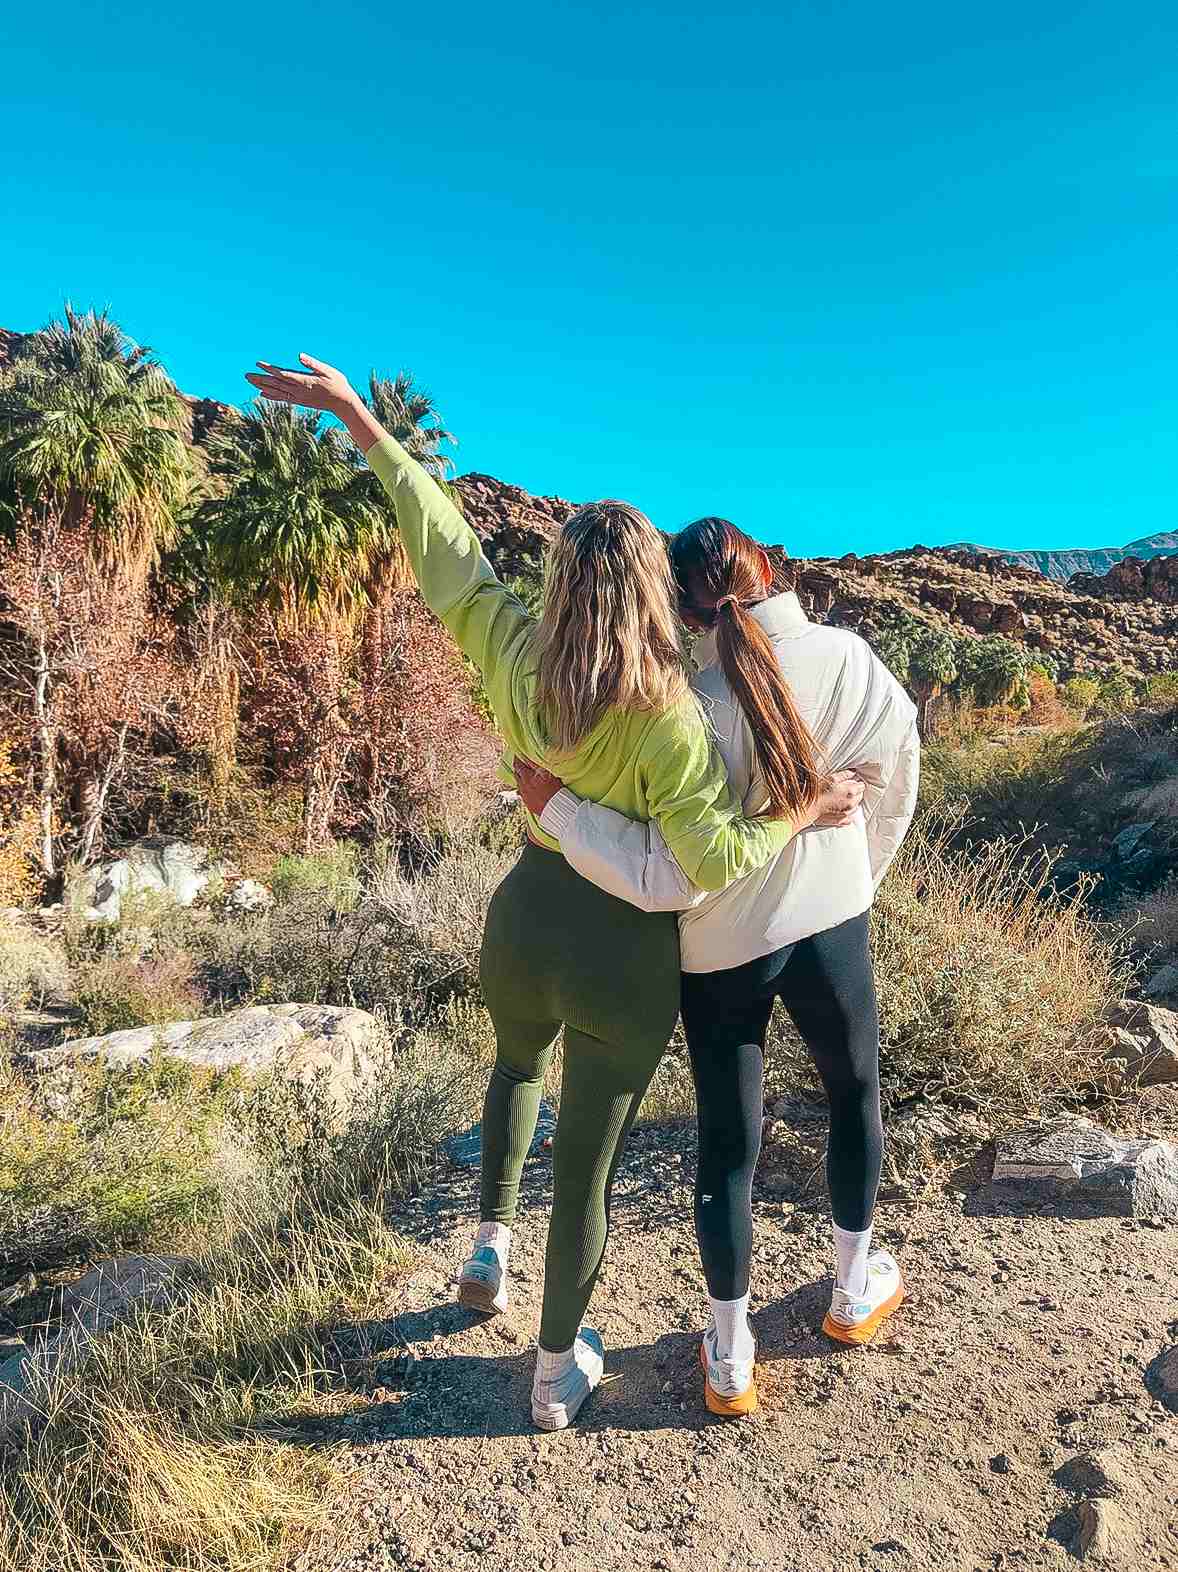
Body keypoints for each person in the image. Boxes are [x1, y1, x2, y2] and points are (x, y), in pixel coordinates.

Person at [244, 357, 864, 1430]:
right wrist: (798, 813)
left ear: (559, 581)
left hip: (519, 919)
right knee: (584, 1167)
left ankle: (484, 1245)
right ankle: (549, 1372)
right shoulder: (666, 716)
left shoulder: (511, 649)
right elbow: (710, 858)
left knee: (511, 1064)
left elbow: (441, 546)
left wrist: (359, 421)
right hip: (617, 955)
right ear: (646, 591)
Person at [513, 516, 920, 1418]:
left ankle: (730, 1354)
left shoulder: (680, 705)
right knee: (855, 1094)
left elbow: (661, 874)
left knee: (728, 1144)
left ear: (680, 603)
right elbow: (896, 774)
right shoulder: (851, 660)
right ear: (768, 567)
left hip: (719, 953)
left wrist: (565, 817)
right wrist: (856, 878)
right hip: (833, 925)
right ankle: (853, 1294)